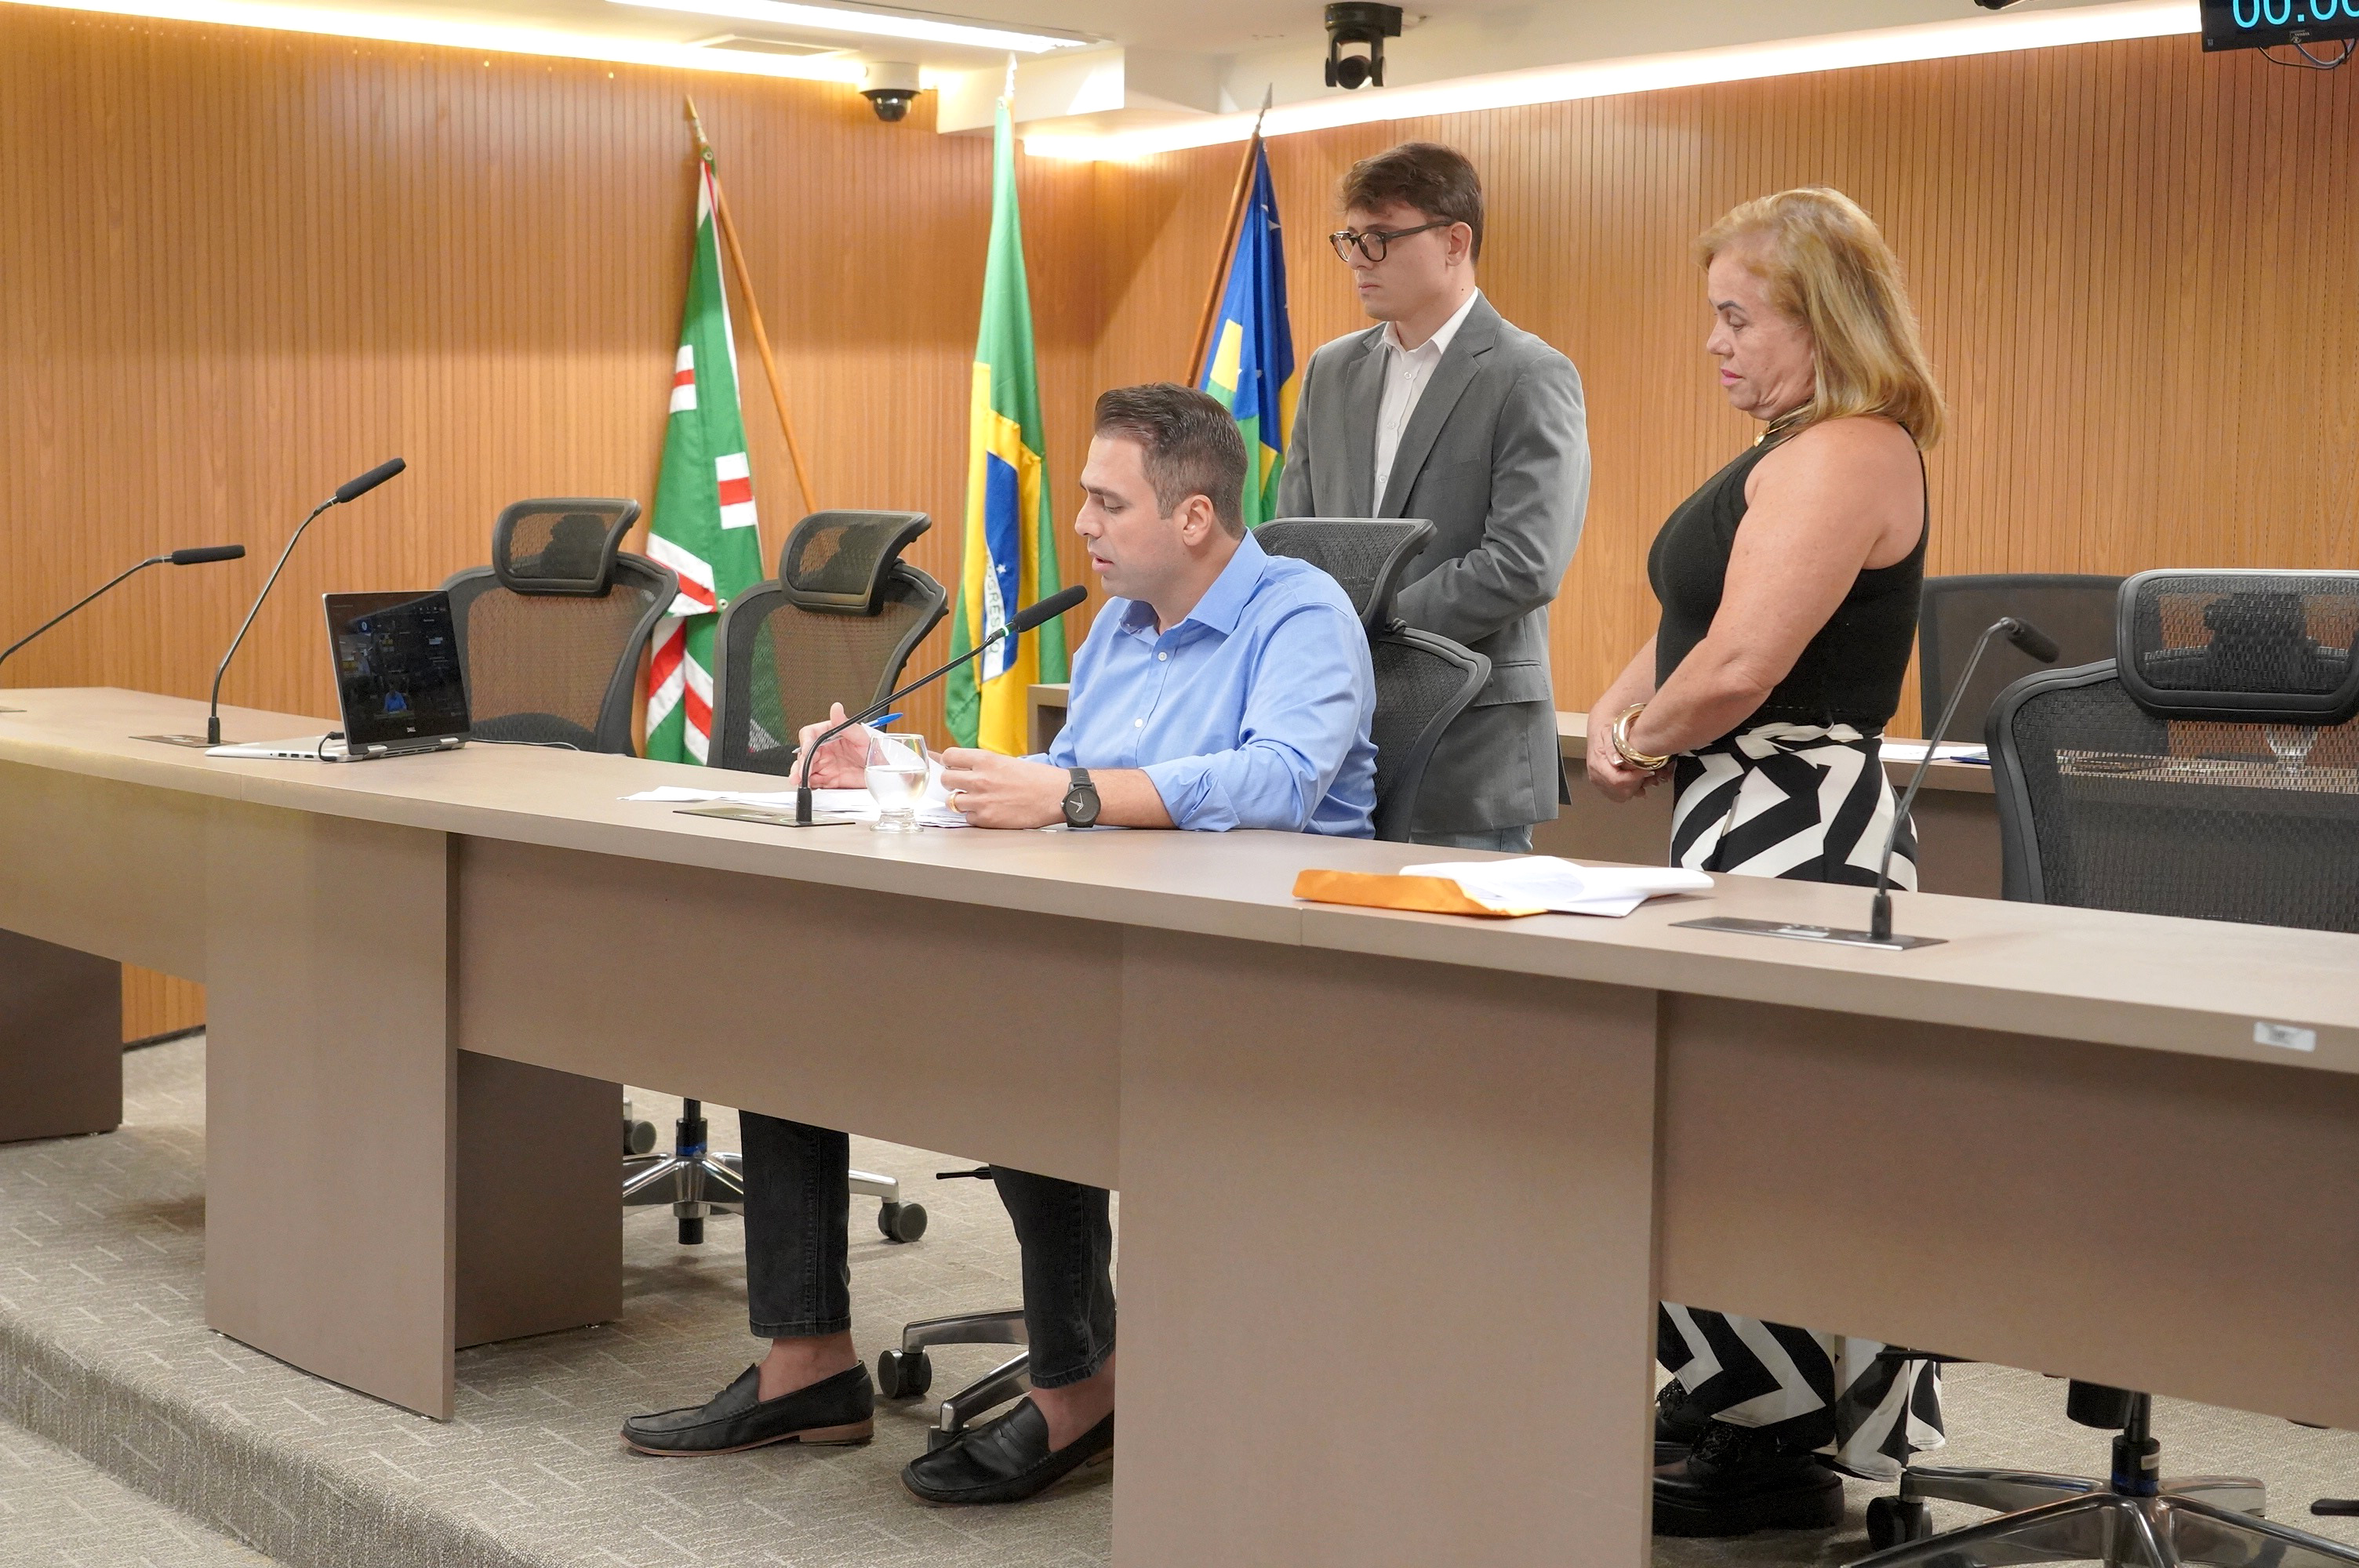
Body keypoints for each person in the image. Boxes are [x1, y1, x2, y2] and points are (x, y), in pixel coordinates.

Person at [620, 383, 1377, 1508]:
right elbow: (1055, 786)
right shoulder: (1122, 624)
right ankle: (806, 1358)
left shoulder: (1300, 612)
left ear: (1194, 517)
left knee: (1032, 1047)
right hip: (1107, 932)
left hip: (1263, 965)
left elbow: (1280, 778)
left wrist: (1069, 795)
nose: (1080, 523)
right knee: (795, 1006)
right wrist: (895, 769)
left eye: (1107, 502)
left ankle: (1082, 1381)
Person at [1583, 187, 1948, 1538]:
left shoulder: (1851, 448)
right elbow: (1695, 621)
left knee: (1766, 1129)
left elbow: (1741, 663)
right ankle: (1730, 1397)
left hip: (1801, 819)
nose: (1715, 343)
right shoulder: (1784, 448)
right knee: (1713, 1112)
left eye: (1738, 318)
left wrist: (1642, 732)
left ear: (1823, 319)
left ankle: (1778, 1437)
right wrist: (1622, 715)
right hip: (1738, 807)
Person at [1276, 140, 1590, 853]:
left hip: (1468, 745)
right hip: (1329, 740)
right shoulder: (1330, 370)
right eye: (1351, 239)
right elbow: (1295, 540)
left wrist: (1364, 631)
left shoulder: (1529, 374)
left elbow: (1524, 564)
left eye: (1382, 238)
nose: (1359, 259)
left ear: (1454, 242)